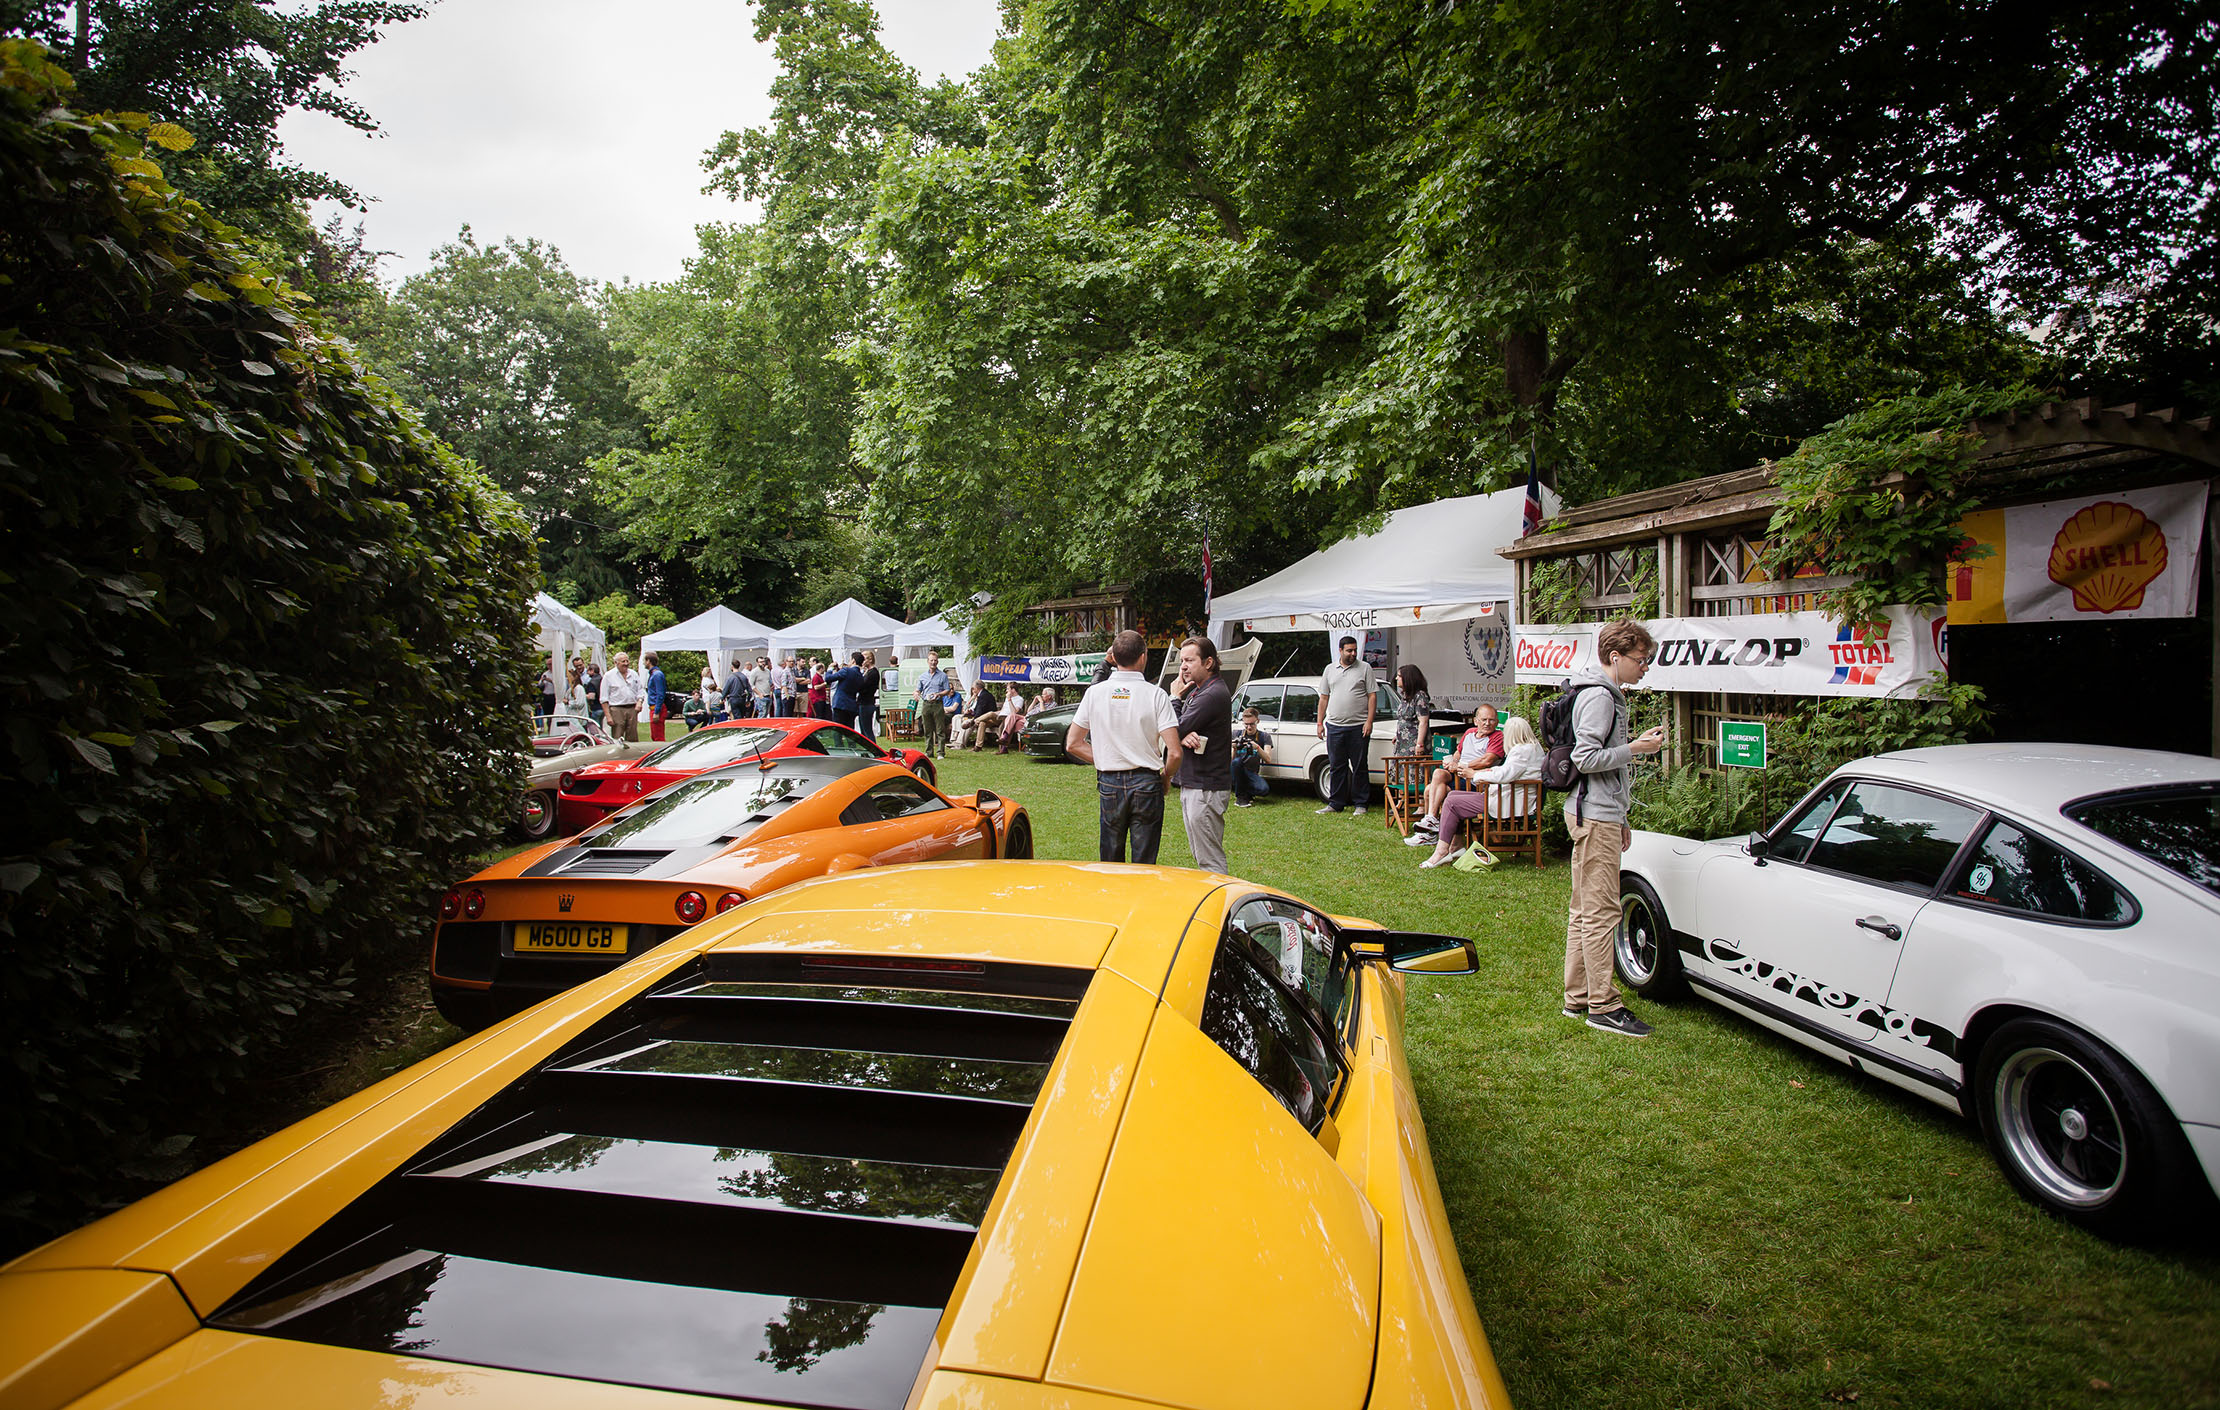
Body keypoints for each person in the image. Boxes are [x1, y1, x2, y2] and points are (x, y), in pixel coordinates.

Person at [1563, 619, 1668, 1038]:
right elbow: (1584, 758)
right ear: (1615, 657)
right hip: (1594, 815)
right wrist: (1636, 748)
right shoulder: (1600, 698)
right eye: (1641, 660)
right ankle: (1603, 1005)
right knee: (1602, 910)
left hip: (1599, 813)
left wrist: (1621, 817)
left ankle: (1578, 997)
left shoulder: (1604, 694)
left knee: (1584, 908)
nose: (1645, 668)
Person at [1067, 630, 1182, 864]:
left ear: (1114, 658)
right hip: (1147, 782)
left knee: (1110, 860)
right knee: (1144, 861)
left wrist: (1105, 759)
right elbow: (1176, 751)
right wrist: (1167, 777)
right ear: (1143, 656)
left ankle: (1112, 899)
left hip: (1109, 781)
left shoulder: (1095, 693)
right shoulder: (1157, 695)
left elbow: (1073, 743)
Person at [1413, 716, 1546, 863]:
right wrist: (1487, 771)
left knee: (1451, 801)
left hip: (1510, 802)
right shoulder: (1533, 748)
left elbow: (1505, 774)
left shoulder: (1521, 751)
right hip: (1515, 798)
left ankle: (1442, 851)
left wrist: (1475, 774)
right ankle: (1455, 846)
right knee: (1453, 795)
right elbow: (1509, 771)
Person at [1169, 635, 1232, 872]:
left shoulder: (1211, 694)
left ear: (1208, 663)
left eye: (1189, 660)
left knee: (1210, 860)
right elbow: (1178, 730)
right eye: (1182, 661)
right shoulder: (1198, 691)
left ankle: (1221, 905)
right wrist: (1182, 735)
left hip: (1206, 787)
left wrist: (1175, 698)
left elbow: (1171, 728)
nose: (1183, 666)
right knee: (1201, 854)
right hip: (1196, 784)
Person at [1413, 706, 1509, 839]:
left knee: (1430, 790)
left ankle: (1429, 832)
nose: (1487, 723)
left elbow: (1486, 761)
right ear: (1476, 721)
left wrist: (1459, 765)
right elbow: (1459, 751)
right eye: (1484, 720)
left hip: (1476, 781)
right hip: (1459, 775)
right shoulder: (1469, 732)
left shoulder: (1498, 737)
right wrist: (1452, 761)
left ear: (1497, 723)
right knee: (1438, 774)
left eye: (1492, 720)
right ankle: (1431, 820)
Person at [1315, 635, 1377, 816]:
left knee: (1359, 766)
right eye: (1349, 650)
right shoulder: (1329, 669)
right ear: (1340, 650)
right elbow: (1324, 698)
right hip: (1334, 726)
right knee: (1336, 766)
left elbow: (1372, 696)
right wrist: (1320, 723)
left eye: (1355, 650)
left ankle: (1361, 803)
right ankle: (1335, 803)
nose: (1353, 654)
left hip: (1358, 726)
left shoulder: (1365, 668)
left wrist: (1369, 721)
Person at [915, 650, 953, 759]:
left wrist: (939, 694)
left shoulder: (943, 676)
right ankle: (929, 752)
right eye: (931, 660)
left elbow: (947, 690)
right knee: (927, 729)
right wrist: (916, 693)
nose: (933, 662)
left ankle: (940, 752)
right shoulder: (922, 676)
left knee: (940, 729)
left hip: (937, 704)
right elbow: (918, 690)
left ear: (938, 662)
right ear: (928, 661)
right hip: (926, 704)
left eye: (935, 661)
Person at [1232, 707, 1273, 806]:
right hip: (1235, 771)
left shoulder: (1264, 736)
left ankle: (1246, 792)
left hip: (1251, 773)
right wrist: (1234, 748)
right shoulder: (1236, 734)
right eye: (1246, 724)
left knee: (1264, 790)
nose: (1249, 727)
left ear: (1257, 721)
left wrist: (1257, 747)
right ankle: (1241, 798)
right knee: (1236, 762)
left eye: (1252, 724)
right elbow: (1230, 761)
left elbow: (1268, 759)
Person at [1391, 664, 1433, 757]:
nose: (1396, 678)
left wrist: (1420, 744)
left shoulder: (1420, 696)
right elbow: (1404, 720)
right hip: (1402, 743)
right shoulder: (1405, 696)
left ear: (1407, 678)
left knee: (1413, 769)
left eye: (1399, 676)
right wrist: (1398, 735)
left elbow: (1423, 722)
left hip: (1414, 744)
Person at [601, 651, 643, 742]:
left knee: (632, 736)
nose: (626, 664)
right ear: (616, 663)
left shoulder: (633, 674)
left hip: (632, 708)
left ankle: (633, 754)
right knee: (617, 735)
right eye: (623, 661)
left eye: (627, 661)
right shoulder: (608, 676)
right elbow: (604, 698)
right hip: (617, 709)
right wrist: (608, 716)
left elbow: (640, 690)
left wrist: (639, 702)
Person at [999, 685, 1049, 754]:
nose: (1042, 696)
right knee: (1011, 717)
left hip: (1033, 721)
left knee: (1011, 723)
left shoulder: (1052, 704)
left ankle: (1004, 744)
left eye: (1043, 694)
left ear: (1049, 696)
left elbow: (1043, 713)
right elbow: (1029, 711)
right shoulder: (1039, 704)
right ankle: (1004, 741)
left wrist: (1041, 702)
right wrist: (1034, 701)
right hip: (1026, 718)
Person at [826, 652, 866, 731]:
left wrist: (830, 669)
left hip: (840, 703)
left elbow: (828, 678)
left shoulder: (846, 671)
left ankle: (839, 744)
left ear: (853, 661)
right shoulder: (861, 676)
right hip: (852, 704)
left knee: (838, 730)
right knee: (850, 730)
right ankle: (851, 744)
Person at [857, 650, 882, 740]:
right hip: (864, 702)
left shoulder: (873, 673)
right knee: (863, 730)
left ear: (870, 660)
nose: (862, 662)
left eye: (864, 659)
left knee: (867, 730)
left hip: (866, 703)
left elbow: (863, 686)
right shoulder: (867, 672)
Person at [644, 652, 668, 742]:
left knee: (658, 736)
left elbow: (660, 694)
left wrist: (657, 711)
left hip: (656, 707)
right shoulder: (653, 674)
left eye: (645, 660)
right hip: (653, 707)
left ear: (648, 661)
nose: (644, 663)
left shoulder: (657, 675)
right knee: (654, 735)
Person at [583, 659, 604, 724]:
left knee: (595, 727)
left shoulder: (592, 682)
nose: (587, 673)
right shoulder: (602, 679)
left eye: (588, 671)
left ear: (592, 670)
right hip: (603, 707)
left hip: (596, 708)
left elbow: (591, 696)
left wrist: (582, 695)